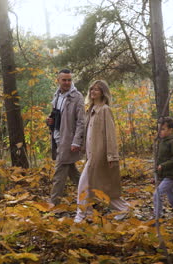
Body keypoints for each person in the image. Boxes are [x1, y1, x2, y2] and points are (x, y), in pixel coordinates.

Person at [74, 80, 129, 223]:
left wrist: (112, 156)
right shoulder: (90, 110)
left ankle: (82, 214)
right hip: (90, 155)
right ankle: (121, 208)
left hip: (100, 155)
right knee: (98, 186)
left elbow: (110, 135)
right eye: (92, 89)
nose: (93, 92)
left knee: (87, 185)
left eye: (97, 90)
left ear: (103, 92)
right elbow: (88, 134)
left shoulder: (105, 110)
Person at [47, 69, 85, 206]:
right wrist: (50, 121)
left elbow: (81, 122)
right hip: (57, 138)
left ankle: (53, 202)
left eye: (69, 80)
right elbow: (57, 116)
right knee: (73, 172)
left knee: (59, 172)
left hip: (68, 141)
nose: (67, 82)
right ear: (58, 80)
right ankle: (91, 197)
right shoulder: (57, 96)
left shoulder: (77, 97)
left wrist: (76, 142)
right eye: (64, 80)